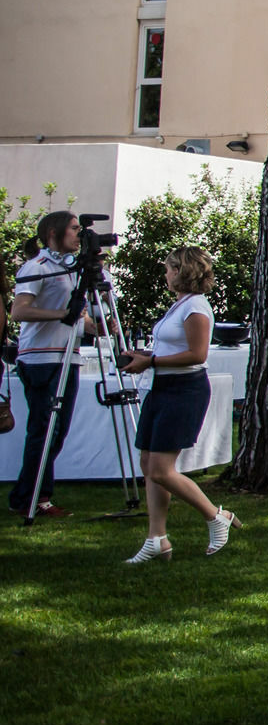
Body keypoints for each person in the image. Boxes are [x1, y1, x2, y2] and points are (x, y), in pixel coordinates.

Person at [118, 246, 242, 563]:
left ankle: (217, 516)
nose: (166, 274)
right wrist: (147, 357)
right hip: (163, 386)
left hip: (184, 390)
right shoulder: (180, 304)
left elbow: (197, 355)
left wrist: (151, 361)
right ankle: (156, 538)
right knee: (149, 466)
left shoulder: (197, 307)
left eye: (169, 268)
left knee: (161, 468)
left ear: (181, 271)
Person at [8, 211, 103, 519]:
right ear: (53, 232)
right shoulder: (36, 267)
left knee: (57, 431)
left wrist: (97, 327)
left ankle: (30, 494)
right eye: (74, 229)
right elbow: (19, 311)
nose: (79, 235)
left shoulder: (74, 269)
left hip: (67, 357)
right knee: (45, 429)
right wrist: (61, 314)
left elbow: (79, 316)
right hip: (41, 358)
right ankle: (34, 498)